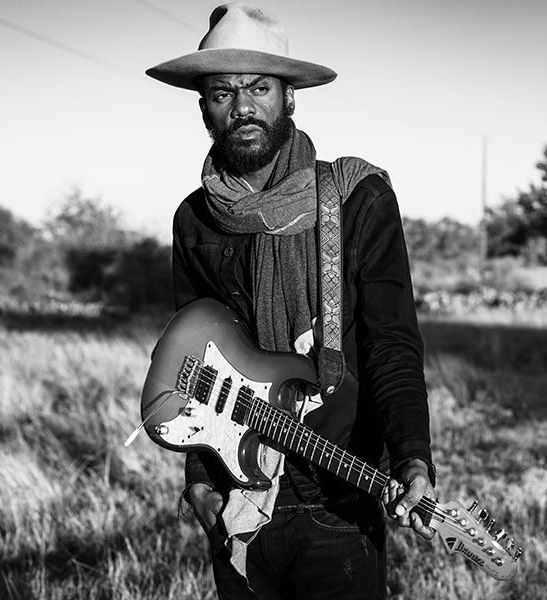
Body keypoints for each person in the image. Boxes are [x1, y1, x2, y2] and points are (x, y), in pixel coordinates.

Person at [146, 3, 436, 598]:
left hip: (341, 497)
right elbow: (192, 359)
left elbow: (391, 343)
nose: (242, 105)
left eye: (259, 87)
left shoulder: (356, 199)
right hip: (238, 492)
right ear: (202, 106)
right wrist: (200, 475)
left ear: (290, 98)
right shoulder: (195, 218)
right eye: (223, 92)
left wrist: (412, 457)